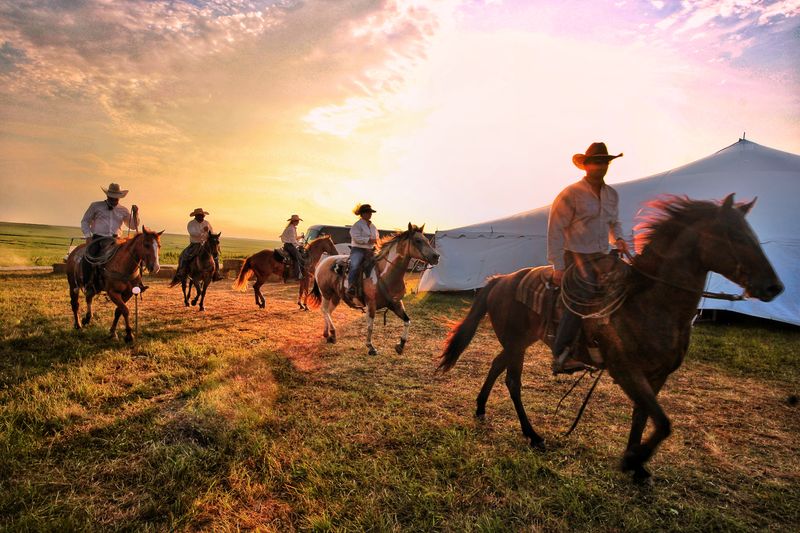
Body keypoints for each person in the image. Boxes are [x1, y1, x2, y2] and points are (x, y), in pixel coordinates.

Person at [547, 142, 629, 374]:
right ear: (586, 165)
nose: (600, 166)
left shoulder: (612, 195)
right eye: (596, 161)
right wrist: (558, 265)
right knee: (581, 299)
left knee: (630, 283)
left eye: (604, 161)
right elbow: (555, 228)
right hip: (576, 256)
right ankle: (562, 354)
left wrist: (620, 239)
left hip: (602, 256)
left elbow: (614, 223)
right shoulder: (571, 193)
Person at [80, 183, 140, 292]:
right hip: (98, 239)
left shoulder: (123, 210)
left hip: (116, 240)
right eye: (112, 197)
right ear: (107, 196)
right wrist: (88, 235)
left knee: (131, 256)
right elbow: (85, 221)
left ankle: (137, 283)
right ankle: (87, 284)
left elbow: (132, 225)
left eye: (116, 197)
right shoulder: (95, 206)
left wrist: (136, 214)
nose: (114, 199)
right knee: (88, 257)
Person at [172, 208, 223, 284]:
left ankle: (216, 273)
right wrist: (203, 230)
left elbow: (211, 232)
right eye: (200, 215)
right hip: (195, 243)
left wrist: (213, 237)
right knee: (186, 255)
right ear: (196, 216)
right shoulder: (191, 224)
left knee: (215, 256)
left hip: (206, 243)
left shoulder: (207, 223)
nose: (202, 217)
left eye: (203, 215)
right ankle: (182, 272)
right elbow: (193, 233)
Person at [346, 203, 379, 299]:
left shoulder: (373, 226)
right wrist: (368, 240)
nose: (370, 214)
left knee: (379, 263)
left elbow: (377, 236)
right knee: (355, 265)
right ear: (363, 214)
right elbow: (355, 237)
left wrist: (375, 240)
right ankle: (351, 286)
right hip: (358, 249)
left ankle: (374, 284)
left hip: (370, 249)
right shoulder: (357, 225)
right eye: (369, 212)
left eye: (371, 213)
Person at [280, 214, 304, 280]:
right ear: (294, 221)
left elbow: (294, 238)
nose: (298, 222)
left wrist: (301, 237)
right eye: (297, 221)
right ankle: (297, 275)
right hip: (289, 246)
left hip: (288, 245)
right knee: (298, 257)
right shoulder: (291, 229)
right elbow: (293, 241)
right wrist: (300, 244)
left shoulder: (292, 228)